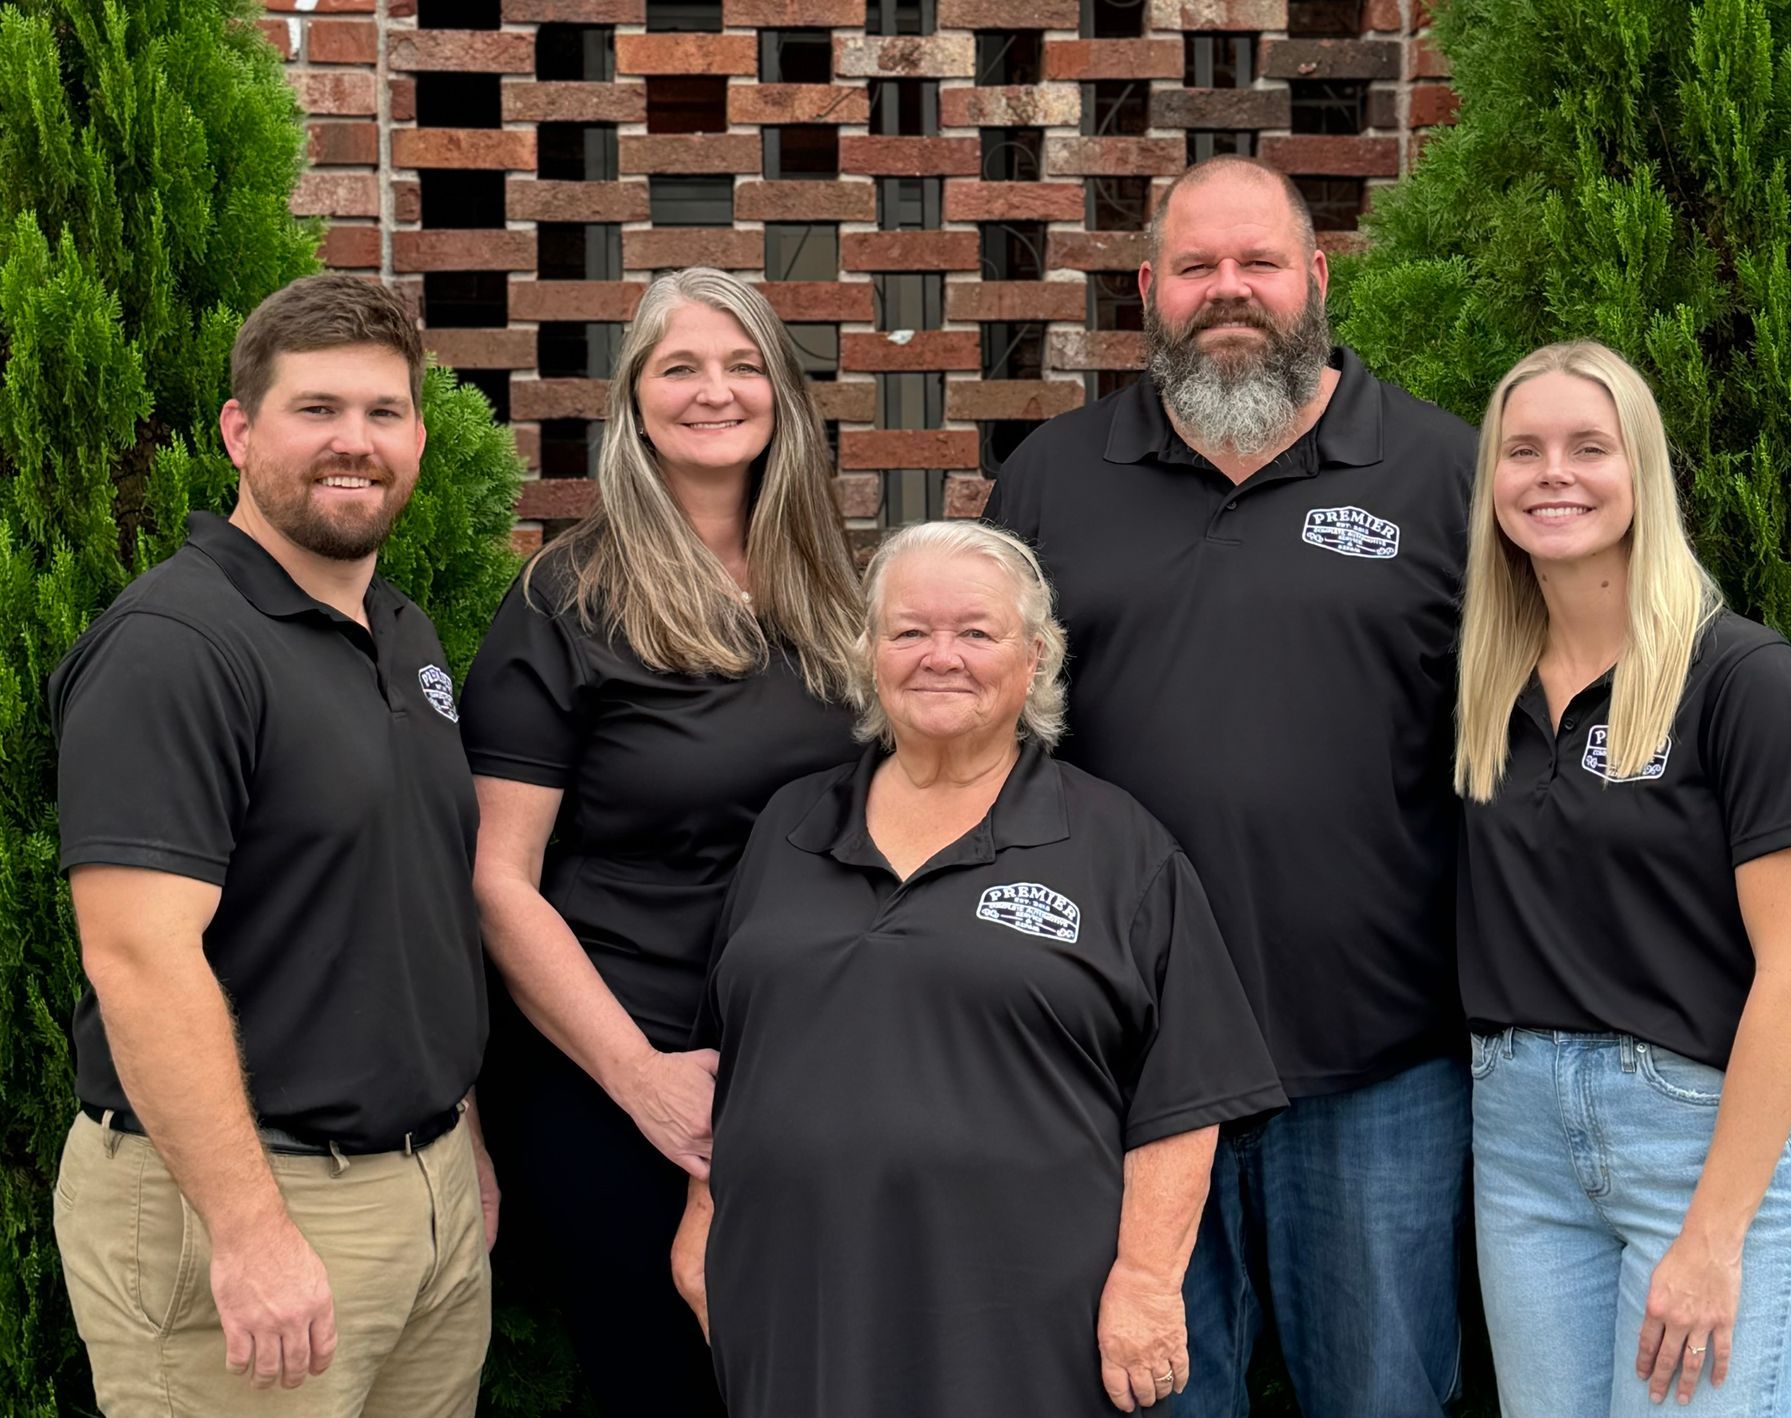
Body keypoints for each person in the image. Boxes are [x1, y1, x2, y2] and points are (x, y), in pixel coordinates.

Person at [985, 155, 1477, 1415]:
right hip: (1123, 1070)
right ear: (1149, 289)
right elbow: (995, 751)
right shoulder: (1052, 478)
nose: (1229, 290)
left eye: (1258, 262)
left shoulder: (1442, 475)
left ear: (1317, 277)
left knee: (1383, 1399)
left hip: (1378, 1069)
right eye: (1197, 267)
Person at [671, 520, 1287, 1418]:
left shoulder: (1117, 846)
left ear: (1035, 657)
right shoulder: (790, 825)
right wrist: (701, 1220)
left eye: (976, 632)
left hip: (1019, 1311)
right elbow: (737, 1050)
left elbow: (1185, 1094)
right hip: (795, 1291)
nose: (939, 656)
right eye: (909, 631)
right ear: (870, 654)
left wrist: (1149, 1283)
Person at [48, 273, 494, 1416]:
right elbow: (138, 958)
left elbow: (409, 907)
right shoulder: (176, 645)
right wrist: (249, 1233)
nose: (356, 442)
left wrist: (455, 1140)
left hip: (424, 1197)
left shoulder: (402, 631)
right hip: (252, 1204)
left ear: (418, 438)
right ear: (240, 433)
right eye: (318, 409)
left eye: (384, 413)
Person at [459, 267, 864, 1412]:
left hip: (803, 1066)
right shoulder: (565, 598)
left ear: (783, 394)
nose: (713, 391)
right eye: (679, 366)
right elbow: (499, 879)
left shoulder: (832, 589)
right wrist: (641, 1080)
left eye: (742, 365)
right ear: (633, 402)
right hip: (623, 1077)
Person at [1455, 342, 1791, 1415]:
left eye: (1590, 446)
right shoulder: (1484, 688)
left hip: (1696, 1136)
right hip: (1519, 1137)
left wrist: (1715, 1235)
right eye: (1522, 450)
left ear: (1644, 472)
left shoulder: (1740, 678)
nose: (1553, 473)